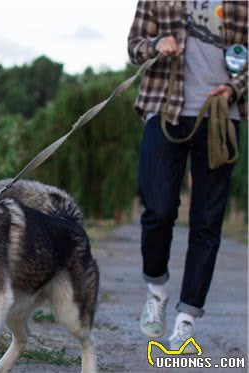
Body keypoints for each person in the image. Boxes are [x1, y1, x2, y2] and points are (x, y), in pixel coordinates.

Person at [127, 0, 247, 351]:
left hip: (222, 115)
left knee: (207, 220)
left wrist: (236, 88)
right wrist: (155, 44)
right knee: (158, 208)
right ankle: (157, 289)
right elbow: (134, 45)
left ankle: (187, 318)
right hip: (165, 108)